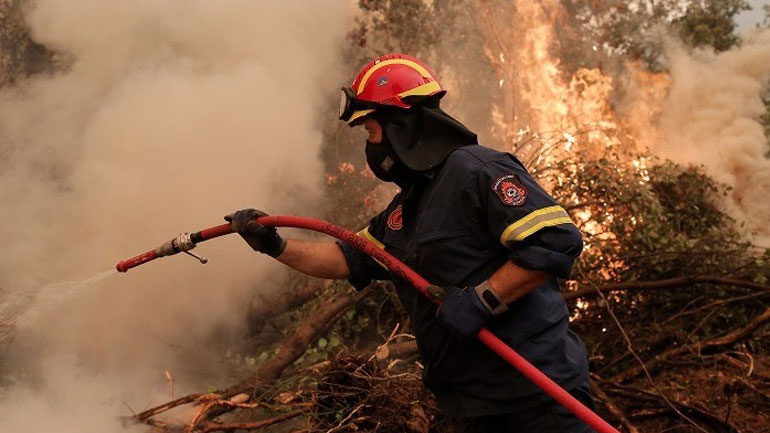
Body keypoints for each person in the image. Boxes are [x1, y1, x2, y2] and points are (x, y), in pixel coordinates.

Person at [226, 53, 595, 433]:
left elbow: (554, 241)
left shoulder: (478, 170)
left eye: (371, 131)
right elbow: (345, 257)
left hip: (537, 396)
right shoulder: (405, 210)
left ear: (401, 126)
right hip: (470, 405)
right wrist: (274, 244)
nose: (370, 145)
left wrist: (484, 298)